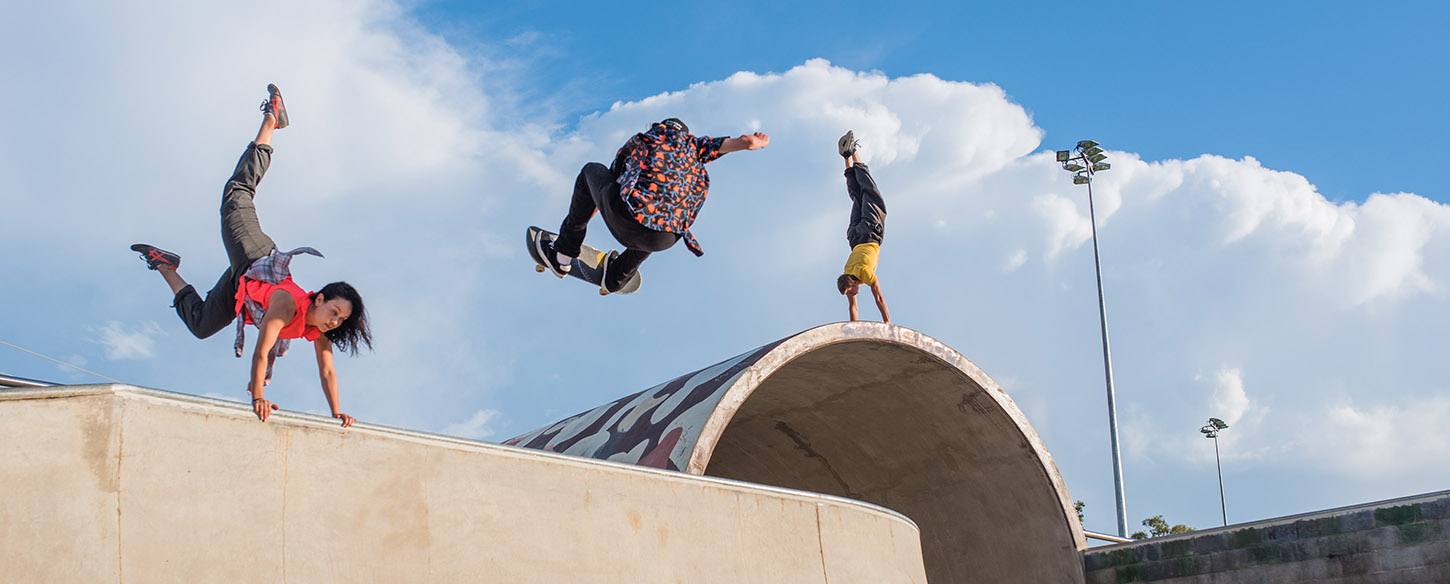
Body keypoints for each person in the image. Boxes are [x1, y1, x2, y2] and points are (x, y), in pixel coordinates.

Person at [130, 84, 371, 427]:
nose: (335, 322)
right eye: (334, 312)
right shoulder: (287, 304)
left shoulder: (317, 331)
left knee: (201, 325)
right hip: (256, 256)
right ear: (317, 299)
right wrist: (258, 396)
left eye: (341, 320)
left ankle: (165, 265)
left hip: (243, 284)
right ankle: (273, 119)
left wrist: (337, 414)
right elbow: (262, 350)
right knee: (237, 192)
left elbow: (328, 370)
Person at [535, 117, 770, 293]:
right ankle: (616, 277)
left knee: (591, 171)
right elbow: (746, 142)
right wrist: (757, 142)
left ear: (657, 128)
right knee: (663, 214)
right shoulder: (697, 147)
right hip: (664, 240)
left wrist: (590, 210)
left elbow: (612, 182)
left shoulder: (644, 140)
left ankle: (563, 254)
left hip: (626, 220)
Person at [835, 130, 891, 323]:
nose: (855, 294)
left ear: (850, 283)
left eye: (852, 291)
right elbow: (853, 307)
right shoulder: (847, 270)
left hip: (869, 231)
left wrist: (888, 324)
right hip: (854, 237)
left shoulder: (865, 274)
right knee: (857, 196)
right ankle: (847, 159)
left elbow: (879, 298)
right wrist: (854, 329)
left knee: (870, 192)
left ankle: (854, 152)